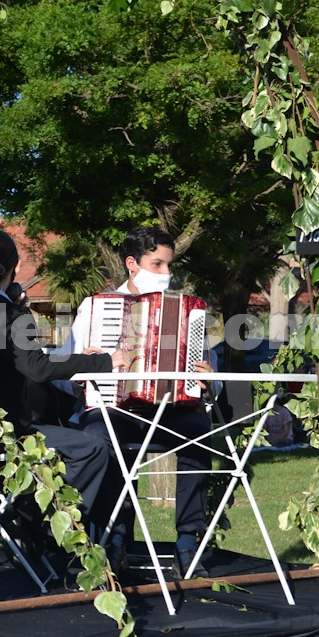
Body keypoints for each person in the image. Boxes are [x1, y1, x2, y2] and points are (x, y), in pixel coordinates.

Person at [57, 225, 215, 579]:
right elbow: (63, 369)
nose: (166, 274)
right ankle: (114, 539)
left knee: (199, 433)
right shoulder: (97, 308)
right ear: (132, 263)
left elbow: (205, 369)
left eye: (169, 266)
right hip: (114, 406)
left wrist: (205, 377)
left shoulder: (188, 311)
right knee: (101, 438)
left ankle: (188, 542)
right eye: (156, 264)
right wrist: (85, 361)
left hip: (169, 408)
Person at [0, 229, 130, 562]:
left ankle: (24, 518)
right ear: (17, 265)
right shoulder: (13, 314)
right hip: (10, 435)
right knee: (94, 448)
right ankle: (36, 523)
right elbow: (36, 368)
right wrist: (102, 361)